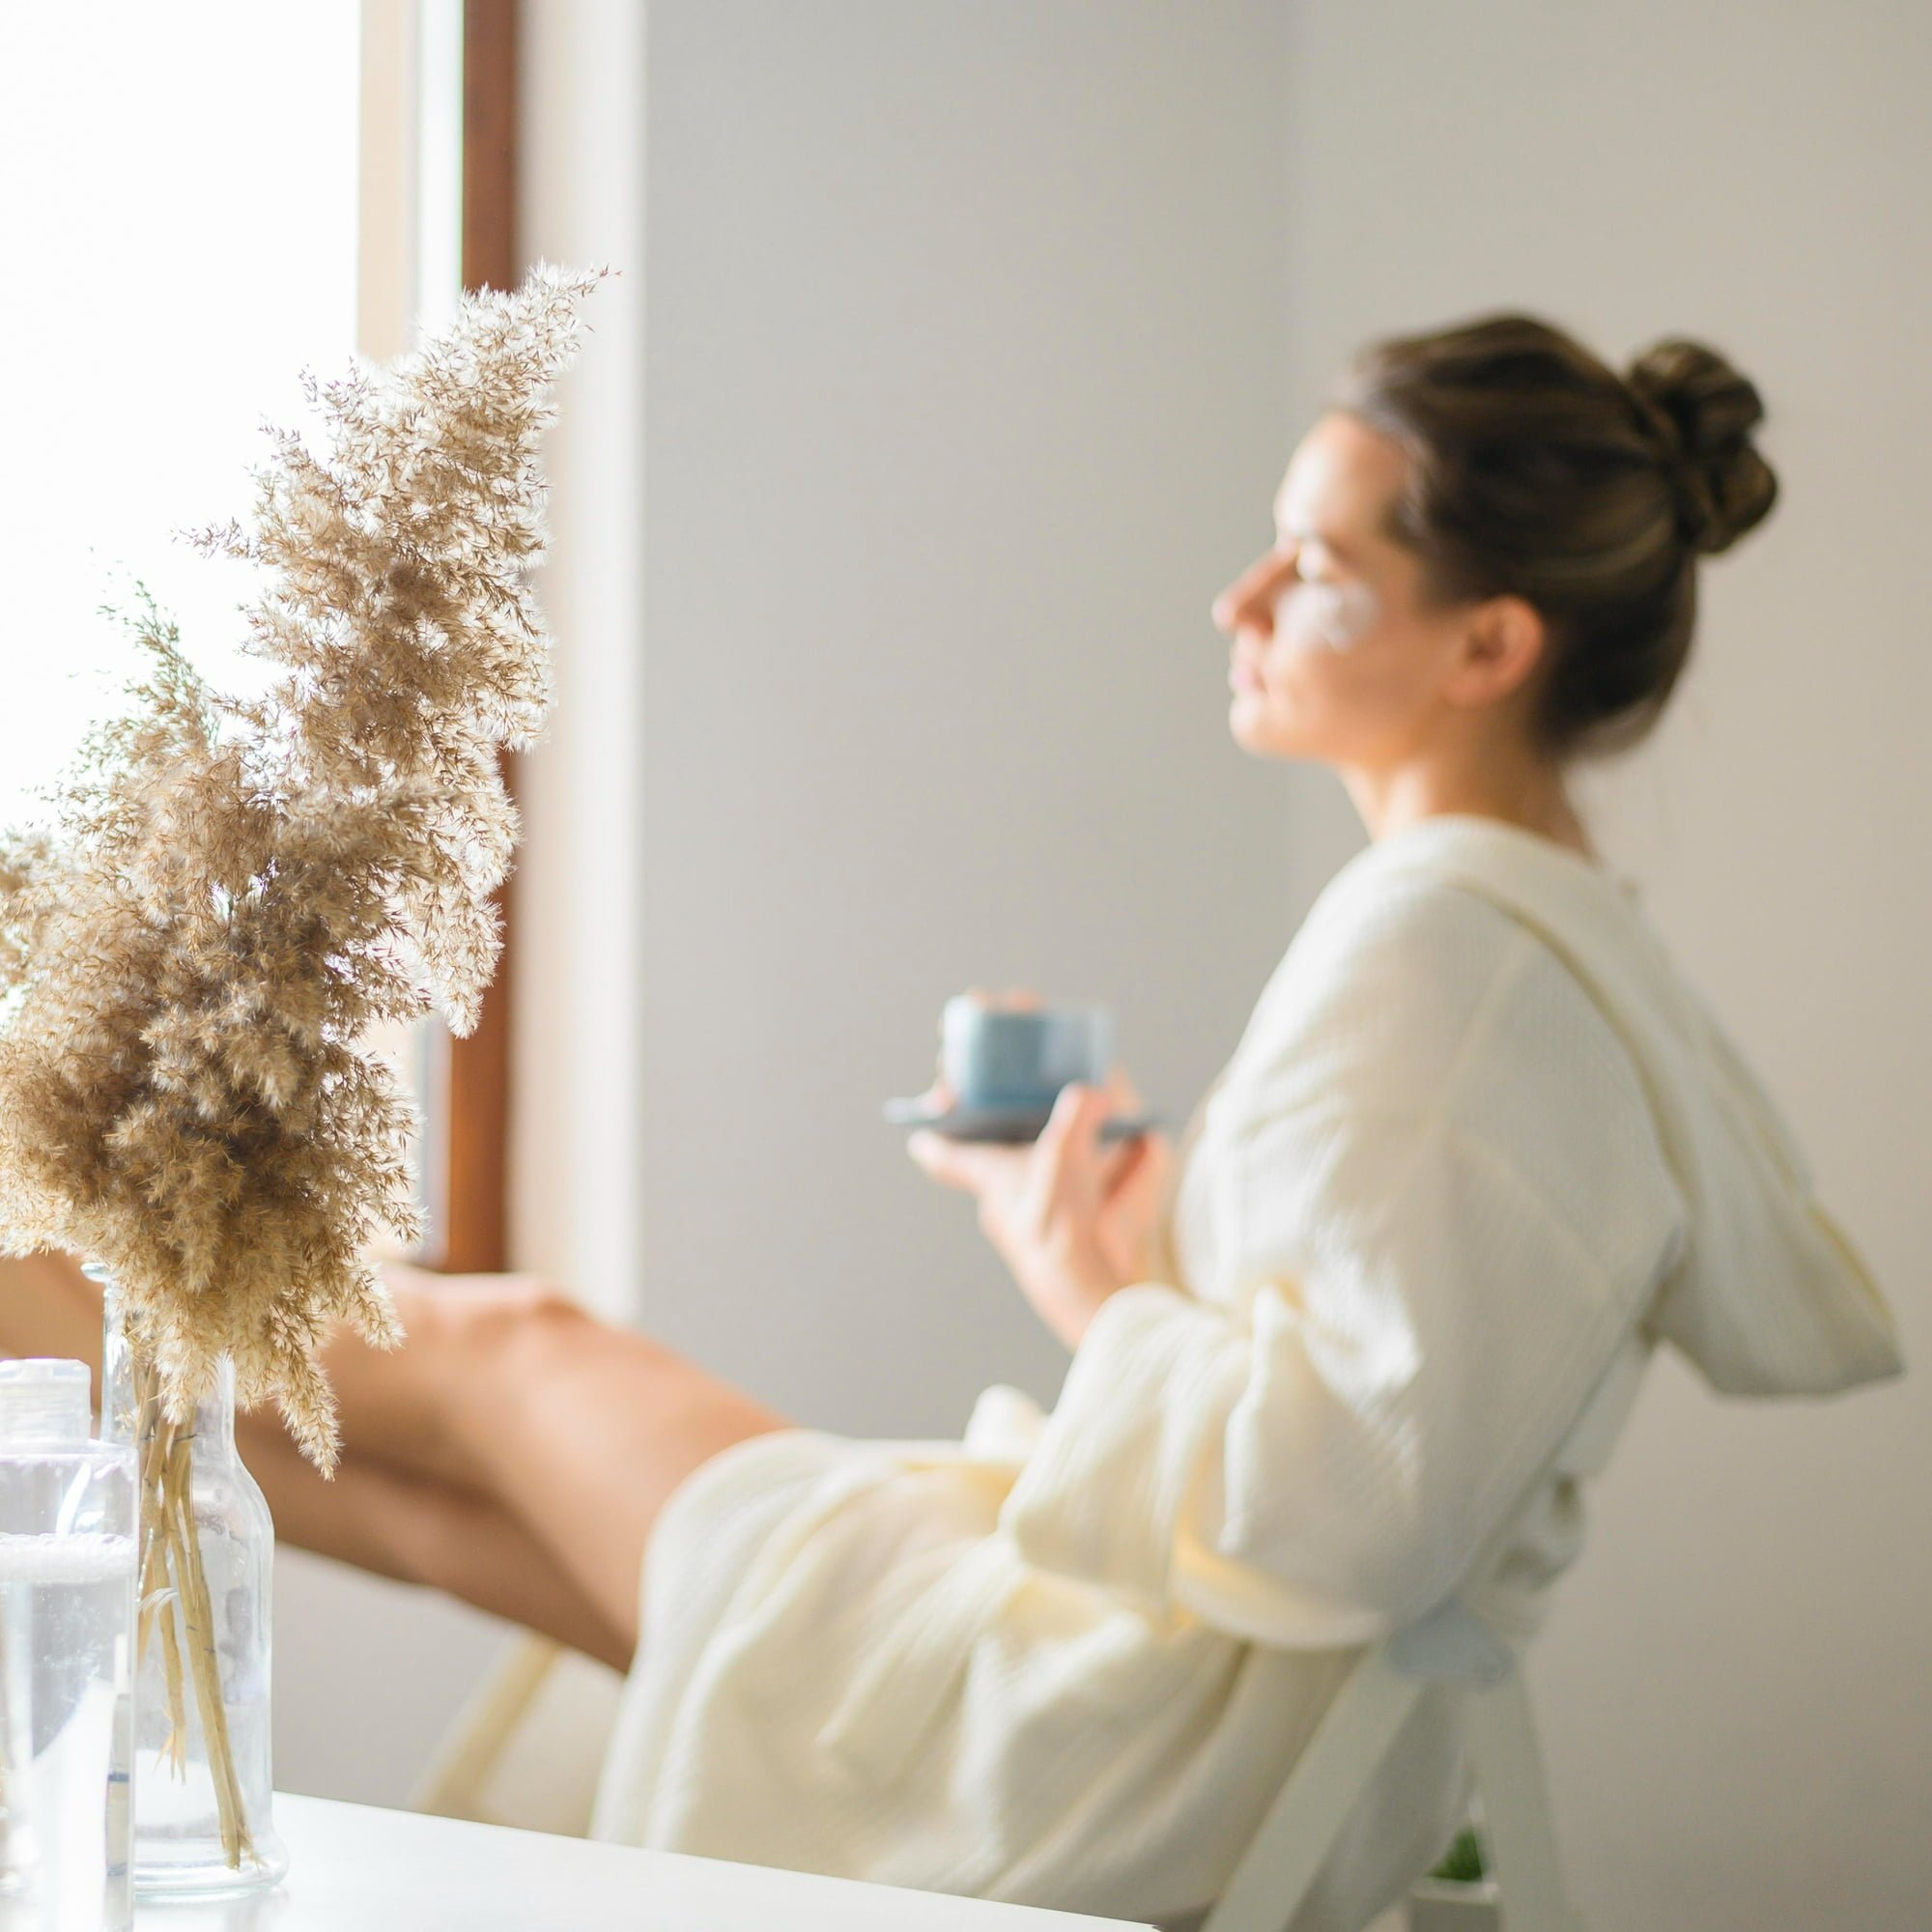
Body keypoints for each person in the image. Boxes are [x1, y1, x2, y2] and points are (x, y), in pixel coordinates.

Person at [0, 311, 1903, 1932]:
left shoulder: (1438, 950)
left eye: (1313, 568)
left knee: (506, 1358)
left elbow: (1345, 1516)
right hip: (1209, 1700)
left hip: (1133, 1722)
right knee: (412, 1493)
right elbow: (1383, 1396)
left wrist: (1095, 1286)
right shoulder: (1550, 967)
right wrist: (1156, 1250)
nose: (1236, 600)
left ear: (1488, 646)